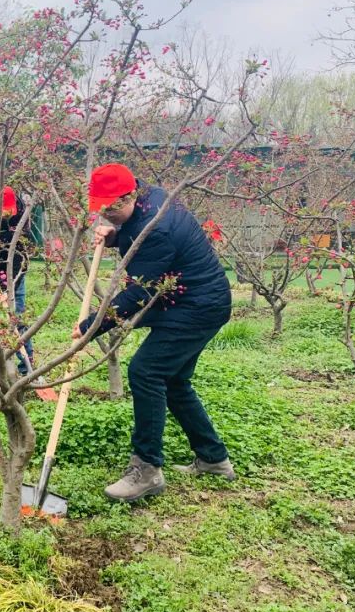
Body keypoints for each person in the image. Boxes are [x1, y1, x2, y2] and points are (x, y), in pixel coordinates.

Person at [71, 163, 235, 503]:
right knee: (173, 380)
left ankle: (146, 470)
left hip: (196, 307)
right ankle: (213, 459)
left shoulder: (156, 228)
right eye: (101, 209)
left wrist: (91, 326)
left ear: (130, 196)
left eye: (111, 209)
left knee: (146, 371)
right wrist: (116, 236)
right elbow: (134, 233)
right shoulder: (150, 196)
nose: (106, 214)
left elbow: (138, 295)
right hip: (192, 300)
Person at [0, 186, 33, 373]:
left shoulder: (22, 216)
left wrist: (10, 285)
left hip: (15, 271)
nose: (7, 213)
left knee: (17, 319)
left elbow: (21, 254)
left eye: (9, 209)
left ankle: (27, 367)